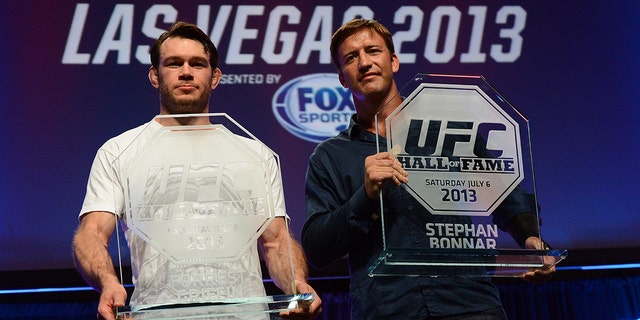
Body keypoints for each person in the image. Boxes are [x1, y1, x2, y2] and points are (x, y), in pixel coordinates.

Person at [301, 18, 554, 319]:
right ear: (342, 78)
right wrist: (365, 196)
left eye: (373, 51)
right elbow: (317, 248)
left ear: (393, 61)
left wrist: (531, 240)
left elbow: (504, 192)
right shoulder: (329, 156)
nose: (365, 63)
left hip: (469, 304)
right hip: (387, 310)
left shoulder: (449, 133)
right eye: (351, 58)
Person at [72, 21, 321, 320]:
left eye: (198, 64)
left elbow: (276, 240)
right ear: (155, 75)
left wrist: (297, 283)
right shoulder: (118, 152)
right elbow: (93, 233)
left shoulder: (256, 154)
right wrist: (108, 283)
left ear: (215, 77)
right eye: (174, 63)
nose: (186, 71)